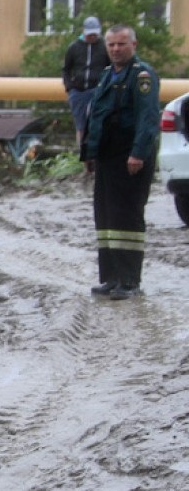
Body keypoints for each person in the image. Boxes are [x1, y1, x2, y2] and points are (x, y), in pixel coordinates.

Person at [81, 24, 159, 301]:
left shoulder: (142, 76)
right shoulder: (106, 75)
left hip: (130, 157)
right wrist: (90, 153)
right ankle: (111, 278)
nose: (115, 49)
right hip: (107, 156)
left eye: (121, 44)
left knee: (126, 217)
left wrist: (138, 153)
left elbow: (148, 119)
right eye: (111, 44)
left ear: (133, 45)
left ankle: (129, 280)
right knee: (106, 218)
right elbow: (97, 116)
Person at [63, 16, 110, 147]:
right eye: (90, 34)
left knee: (97, 123)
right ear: (84, 32)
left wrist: (106, 86)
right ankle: (84, 157)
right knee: (81, 126)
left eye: (95, 34)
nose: (92, 37)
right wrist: (69, 87)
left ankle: (97, 156)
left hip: (98, 90)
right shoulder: (74, 47)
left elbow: (110, 68)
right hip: (78, 91)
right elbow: (66, 69)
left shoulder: (104, 47)